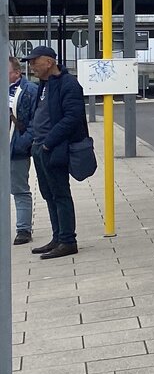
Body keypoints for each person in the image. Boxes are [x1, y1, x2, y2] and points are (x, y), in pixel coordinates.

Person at [25, 45, 85, 259]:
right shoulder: (42, 85)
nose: (31, 66)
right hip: (39, 147)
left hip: (54, 148)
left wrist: (48, 143)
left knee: (60, 194)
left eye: (35, 61)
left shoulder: (68, 84)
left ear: (49, 62)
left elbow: (72, 117)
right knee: (48, 194)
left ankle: (68, 241)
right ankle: (58, 237)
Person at [8, 56, 39, 245]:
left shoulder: (30, 90)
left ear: (17, 73)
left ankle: (23, 230)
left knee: (19, 189)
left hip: (15, 149)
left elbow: (36, 120)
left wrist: (23, 143)